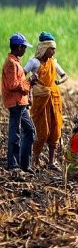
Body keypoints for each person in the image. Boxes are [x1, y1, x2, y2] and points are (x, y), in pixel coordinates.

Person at [26, 31, 68, 171]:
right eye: (52, 49)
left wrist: (58, 81)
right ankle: (35, 159)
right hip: (40, 98)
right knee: (42, 131)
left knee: (55, 130)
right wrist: (31, 82)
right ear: (44, 48)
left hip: (54, 98)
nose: (54, 51)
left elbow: (65, 75)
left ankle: (51, 162)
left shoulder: (54, 62)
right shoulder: (34, 62)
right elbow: (22, 76)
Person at [2, 33, 36, 175]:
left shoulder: (15, 62)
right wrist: (29, 82)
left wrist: (29, 84)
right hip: (16, 103)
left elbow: (17, 83)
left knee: (29, 131)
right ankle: (14, 164)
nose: (25, 50)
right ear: (19, 47)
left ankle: (24, 164)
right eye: (24, 47)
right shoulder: (11, 63)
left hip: (20, 103)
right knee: (15, 133)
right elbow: (12, 85)